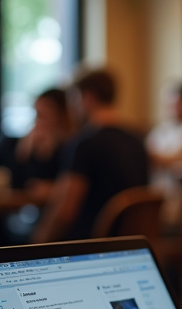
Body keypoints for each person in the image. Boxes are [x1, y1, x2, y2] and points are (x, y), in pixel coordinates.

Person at [33, 69, 148, 242]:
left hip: (90, 246)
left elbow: (65, 212)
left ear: (87, 97)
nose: (72, 108)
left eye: (74, 99)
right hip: (131, 244)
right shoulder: (137, 141)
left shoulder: (83, 143)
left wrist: (37, 242)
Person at [0, 88, 73, 199]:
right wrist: (23, 151)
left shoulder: (71, 147)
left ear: (62, 116)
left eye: (43, 115)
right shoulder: (15, 143)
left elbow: (38, 186)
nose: (37, 121)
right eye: (37, 115)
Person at [146, 83, 182, 169]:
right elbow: (148, 146)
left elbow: (176, 159)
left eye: (174, 103)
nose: (168, 107)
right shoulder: (163, 126)